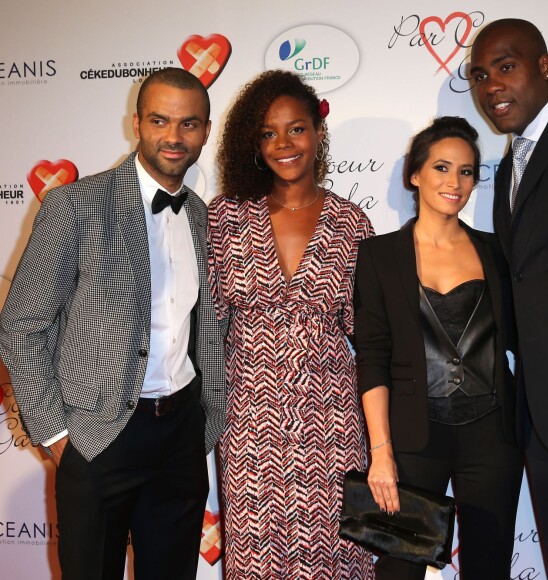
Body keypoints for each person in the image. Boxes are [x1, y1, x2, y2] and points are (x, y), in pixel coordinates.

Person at [0, 67, 226, 580]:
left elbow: (206, 329)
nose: (174, 137)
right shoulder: (74, 205)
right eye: (160, 121)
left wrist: (206, 423)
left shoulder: (201, 215)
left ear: (206, 131)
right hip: (98, 436)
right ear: (136, 123)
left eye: (189, 124)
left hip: (181, 437)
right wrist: (58, 435)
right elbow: (21, 325)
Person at [207, 70, 374, 579]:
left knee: (340, 556)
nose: (283, 143)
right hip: (248, 423)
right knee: (257, 560)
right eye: (268, 133)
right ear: (253, 145)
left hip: (333, 423)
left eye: (296, 128)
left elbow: (371, 339)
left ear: (318, 132)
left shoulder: (352, 223)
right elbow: (206, 335)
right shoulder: (224, 218)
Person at [354, 117, 523, 579]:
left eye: (467, 171)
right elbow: (371, 355)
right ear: (415, 174)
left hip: (492, 437)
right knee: (399, 569)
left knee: (488, 567)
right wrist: (381, 451)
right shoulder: (378, 255)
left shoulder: (496, 252)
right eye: (442, 168)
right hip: (412, 439)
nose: (455, 183)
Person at [470, 18, 548, 578]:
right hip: (542, 413)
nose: (491, 87)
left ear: (545, 66)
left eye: (505, 67)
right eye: (480, 76)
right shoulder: (513, 160)